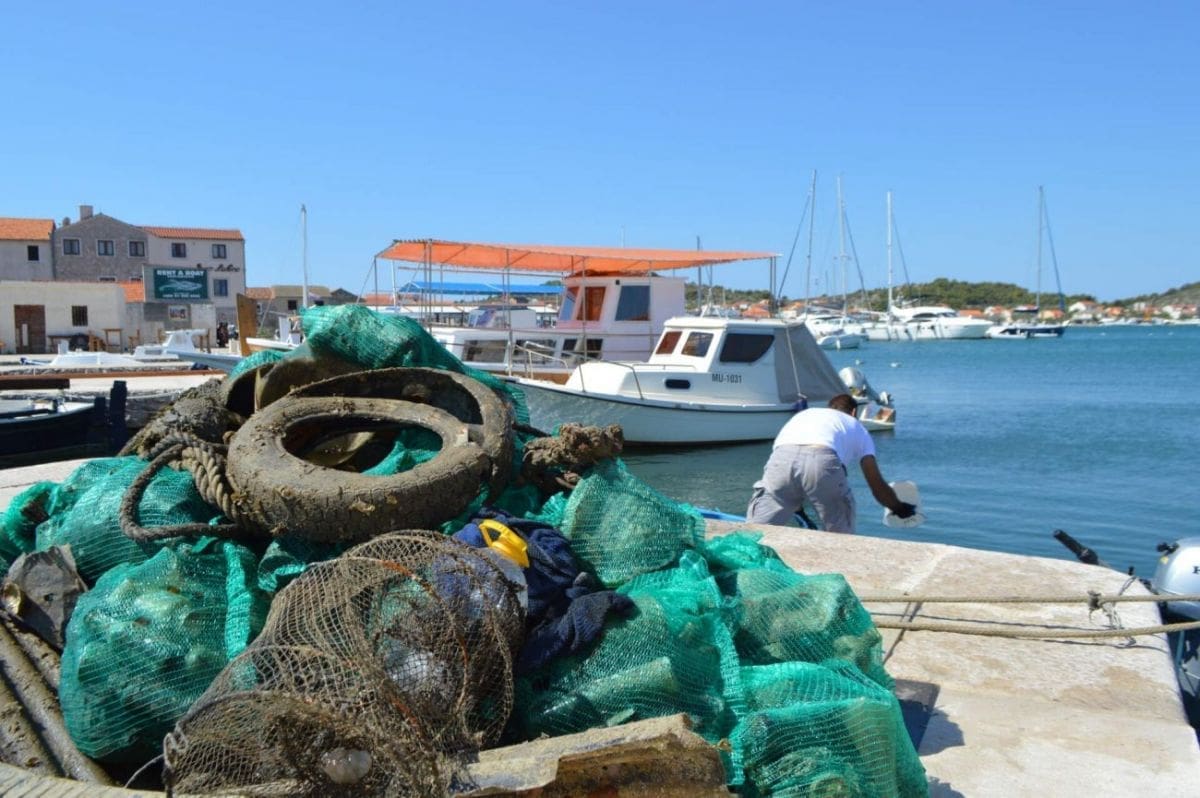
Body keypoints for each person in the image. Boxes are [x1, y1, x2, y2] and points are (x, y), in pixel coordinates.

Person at [746, 393, 916, 533]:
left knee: (756, 533)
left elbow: (791, 470)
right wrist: (898, 508)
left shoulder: (805, 415)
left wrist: (800, 513)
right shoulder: (856, 426)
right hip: (821, 458)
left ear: (830, 408)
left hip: (780, 460)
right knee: (840, 536)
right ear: (853, 412)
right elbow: (875, 483)